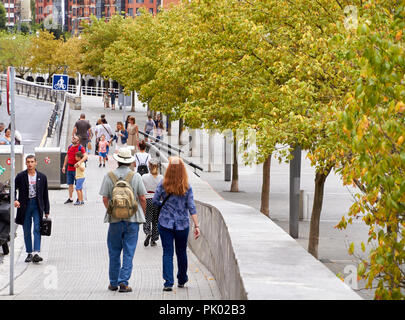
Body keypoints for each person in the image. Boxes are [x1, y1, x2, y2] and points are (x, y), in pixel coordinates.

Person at [99, 147, 147, 292]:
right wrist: (142, 214)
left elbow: (105, 198)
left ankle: (113, 283)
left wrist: (112, 211)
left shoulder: (109, 176)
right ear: (130, 162)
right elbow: (143, 198)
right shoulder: (136, 176)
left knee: (114, 251)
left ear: (118, 160)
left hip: (114, 221)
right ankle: (123, 282)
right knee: (128, 252)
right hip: (132, 220)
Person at [152, 156, 200, 291]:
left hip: (165, 223)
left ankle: (168, 282)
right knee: (181, 252)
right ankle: (182, 279)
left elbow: (155, 201)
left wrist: (163, 206)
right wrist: (197, 225)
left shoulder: (162, 184)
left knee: (167, 253)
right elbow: (192, 207)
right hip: (182, 224)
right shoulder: (186, 186)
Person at [14, 155, 50, 263]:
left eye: (32, 162)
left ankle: (36, 253)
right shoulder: (21, 176)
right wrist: (15, 200)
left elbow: (45, 194)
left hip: (37, 205)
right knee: (26, 230)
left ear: (36, 163)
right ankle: (29, 252)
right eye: (28, 162)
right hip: (24, 206)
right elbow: (13, 189)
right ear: (26, 163)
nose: (30, 164)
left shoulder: (42, 177)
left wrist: (47, 210)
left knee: (37, 228)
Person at [142, 159, 162, 247]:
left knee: (147, 218)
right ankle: (154, 239)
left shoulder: (144, 177)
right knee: (156, 220)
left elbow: (142, 190)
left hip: (148, 199)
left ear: (149, 166)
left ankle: (147, 232)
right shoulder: (162, 178)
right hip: (157, 200)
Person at [62, 135, 88, 204]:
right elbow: (67, 156)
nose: (73, 138)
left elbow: (85, 156)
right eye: (73, 138)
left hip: (77, 170)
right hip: (69, 168)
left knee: (78, 185)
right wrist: (64, 166)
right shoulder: (70, 146)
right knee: (70, 184)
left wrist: (79, 162)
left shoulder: (80, 147)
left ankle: (79, 199)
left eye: (75, 138)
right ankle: (70, 198)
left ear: (78, 141)